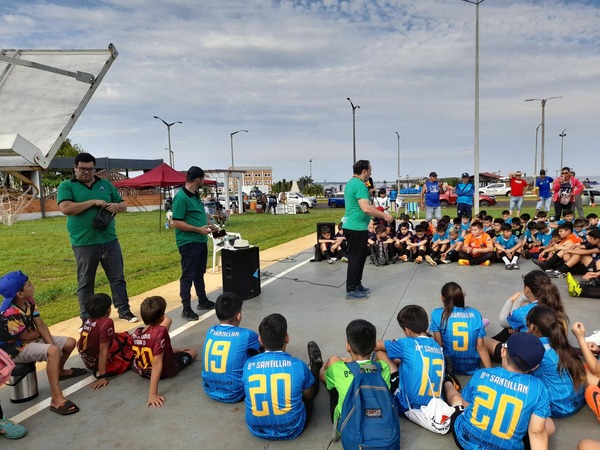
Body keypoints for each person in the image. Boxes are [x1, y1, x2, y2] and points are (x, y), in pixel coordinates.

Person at [57, 152, 138, 326]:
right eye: (82, 169)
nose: (86, 172)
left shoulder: (106, 184)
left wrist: (117, 206)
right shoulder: (67, 186)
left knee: (117, 278)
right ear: (75, 168)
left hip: (109, 240)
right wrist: (93, 202)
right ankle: (86, 318)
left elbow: (123, 205)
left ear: (95, 169)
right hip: (83, 243)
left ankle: (124, 310)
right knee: (86, 282)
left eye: (90, 169)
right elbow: (66, 208)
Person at [445, 332, 554, 450]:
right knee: (547, 426)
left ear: (503, 352)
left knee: (457, 401)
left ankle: (447, 380)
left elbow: (466, 405)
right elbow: (537, 434)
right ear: (535, 366)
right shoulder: (539, 388)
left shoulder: (482, 374)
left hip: (466, 440)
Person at [0, 271, 85, 415]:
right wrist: (49, 345)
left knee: (69, 343)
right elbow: (26, 336)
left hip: (29, 339)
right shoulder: (10, 313)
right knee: (53, 351)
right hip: (14, 349)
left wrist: (51, 343)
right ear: (20, 294)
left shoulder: (29, 301)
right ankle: (56, 399)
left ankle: (59, 372)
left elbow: (40, 324)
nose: (33, 286)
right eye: (29, 285)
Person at [242, 313, 322, 440]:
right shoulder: (298, 365)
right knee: (310, 388)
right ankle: (316, 365)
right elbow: (308, 395)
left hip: (257, 429)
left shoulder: (248, 365)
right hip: (292, 429)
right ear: (287, 338)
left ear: (260, 340)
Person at [320, 319, 396, 425]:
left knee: (332, 369)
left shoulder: (338, 368)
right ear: (374, 345)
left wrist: (324, 367)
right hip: (380, 424)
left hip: (348, 428)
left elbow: (322, 377)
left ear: (348, 346)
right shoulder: (384, 367)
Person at [375, 305, 445, 414]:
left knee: (380, 352)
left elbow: (376, 345)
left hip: (407, 404)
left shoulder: (406, 343)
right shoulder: (437, 346)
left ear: (407, 330)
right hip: (433, 404)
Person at [131, 296, 198, 408]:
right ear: (161, 317)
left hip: (141, 370)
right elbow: (157, 362)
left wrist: (176, 350)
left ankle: (174, 352)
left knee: (159, 349)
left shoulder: (136, 332)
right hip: (163, 372)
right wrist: (153, 394)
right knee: (193, 352)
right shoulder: (160, 331)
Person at [172, 166, 220, 321]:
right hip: (188, 242)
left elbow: (201, 214)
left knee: (199, 273)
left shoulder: (196, 195)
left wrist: (210, 224)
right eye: (203, 178)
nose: (203, 181)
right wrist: (197, 230)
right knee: (188, 275)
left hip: (200, 241)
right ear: (198, 179)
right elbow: (177, 222)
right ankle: (186, 308)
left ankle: (202, 300)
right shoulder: (181, 197)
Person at [343, 160, 393, 299]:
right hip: (355, 227)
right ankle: (351, 289)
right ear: (364, 171)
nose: (371, 173)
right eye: (370, 170)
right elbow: (365, 208)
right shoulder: (359, 185)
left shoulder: (351, 183)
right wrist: (384, 215)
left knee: (359, 258)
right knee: (355, 258)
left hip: (356, 226)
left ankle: (357, 284)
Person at [526, 305, 585, 417]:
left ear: (533, 327)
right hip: (578, 401)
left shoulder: (537, 348)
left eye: (527, 326)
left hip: (558, 408)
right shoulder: (560, 342)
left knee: (520, 376)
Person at [201, 292, 260, 403]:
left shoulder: (211, 330)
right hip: (235, 394)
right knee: (257, 353)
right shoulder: (246, 334)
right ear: (238, 316)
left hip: (209, 389)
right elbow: (263, 341)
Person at [430, 282, 491, 375]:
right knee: (480, 334)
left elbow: (439, 345)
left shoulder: (437, 314)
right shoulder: (475, 313)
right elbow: (481, 347)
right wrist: (490, 372)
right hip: (472, 367)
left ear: (442, 298)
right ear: (461, 297)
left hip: (450, 366)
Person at [78, 293, 133, 390]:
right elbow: (103, 350)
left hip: (88, 359)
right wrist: (102, 376)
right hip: (97, 362)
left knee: (120, 337)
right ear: (108, 310)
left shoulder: (88, 320)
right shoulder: (106, 322)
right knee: (130, 342)